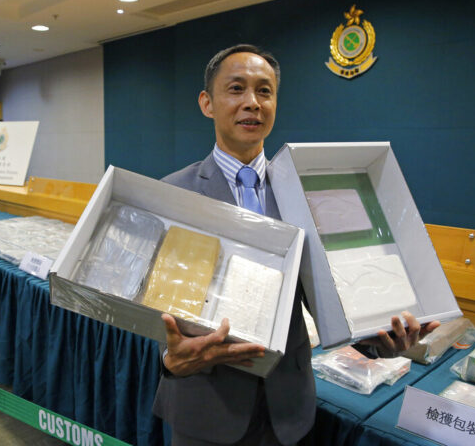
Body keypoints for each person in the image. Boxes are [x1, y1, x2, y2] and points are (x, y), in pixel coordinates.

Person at [153, 45, 440, 446]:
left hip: (288, 411)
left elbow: (328, 295)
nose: (251, 103)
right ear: (207, 103)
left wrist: (378, 340)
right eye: (236, 89)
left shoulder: (307, 195)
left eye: (264, 91)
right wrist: (170, 361)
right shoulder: (174, 193)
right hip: (206, 407)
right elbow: (160, 315)